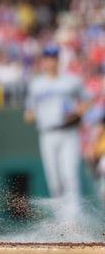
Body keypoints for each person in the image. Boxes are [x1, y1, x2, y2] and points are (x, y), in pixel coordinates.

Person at [24, 44, 89, 221]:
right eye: (47, 57)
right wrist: (34, 114)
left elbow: (87, 100)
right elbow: (28, 113)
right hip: (47, 134)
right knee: (54, 180)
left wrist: (76, 112)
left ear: (58, 59)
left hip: (69, 133)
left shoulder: (71, 80)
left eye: (53, 57)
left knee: (70, 174)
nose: (50, 61)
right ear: (43, 60)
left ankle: (75, 221)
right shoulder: (36, 84)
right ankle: (62, 222)